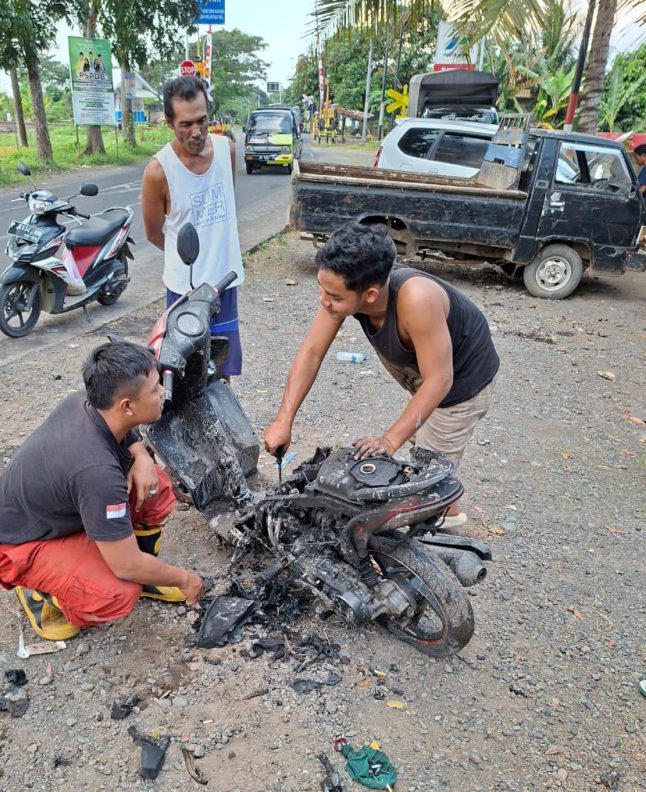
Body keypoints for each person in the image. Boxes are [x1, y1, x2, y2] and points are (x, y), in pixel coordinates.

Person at [264, 224, 500, 528]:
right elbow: (311, 353)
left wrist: (389, 440)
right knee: (419, 448)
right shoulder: (347, 292)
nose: (324, 301)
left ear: (371, 294)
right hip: (424, 376)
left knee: (429, 475)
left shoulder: (416, 299)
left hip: (461, 383)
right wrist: (284, 419)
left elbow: (440, 381)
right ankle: (446, 514)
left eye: (333, 295)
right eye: (322, 290)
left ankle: (442, 534)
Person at [0, 342, 205, 641]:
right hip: (15, 544)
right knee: (116, 592)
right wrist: (185, 580)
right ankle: (40, 595)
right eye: (155, 389)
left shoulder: (88, 400)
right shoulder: (96, 473)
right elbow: (125, 566)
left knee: (155, 487)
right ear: (127, 406)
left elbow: (126, 432)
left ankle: (147, 573)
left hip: (61, 512)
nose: (163, 392)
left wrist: (142, 456)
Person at [141, 75, 244, 380]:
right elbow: (153, 233)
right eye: (186, 124)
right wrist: (187, 259)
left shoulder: (228, 150)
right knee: (184, 373)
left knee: (222, 371)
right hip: (184, 289)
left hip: (224, 285)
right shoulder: (158, 171)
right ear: (169, 122)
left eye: (202, 120)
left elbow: (225, 211)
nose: (197, 132)